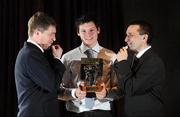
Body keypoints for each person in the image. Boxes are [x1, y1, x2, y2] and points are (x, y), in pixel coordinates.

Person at [58, 14, 121, 117]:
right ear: (78, 32)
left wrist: (105, 93)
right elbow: (58, 90)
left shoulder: (111, 56)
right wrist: (74, 93)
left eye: (91, 30)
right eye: (83, 31)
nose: (88, 34)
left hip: (102, 112)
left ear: (98, 30)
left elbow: (120, 89)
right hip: (75, 112)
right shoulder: (67, 57)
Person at [107, 20, 165, 116]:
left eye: (130, 35)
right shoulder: (134, 58)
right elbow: (123, 86)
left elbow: (131, 88)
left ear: (144, 37)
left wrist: (122, 62)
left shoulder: (153, 62)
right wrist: (106, 93)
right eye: (126, 35)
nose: (126, 39)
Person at [14, 11, 65, 117]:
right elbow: (53, 85)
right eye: (51, 34)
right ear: (37, 33)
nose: (54, 38)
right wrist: (57, 59)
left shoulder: (32, 53)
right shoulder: (31, 55)